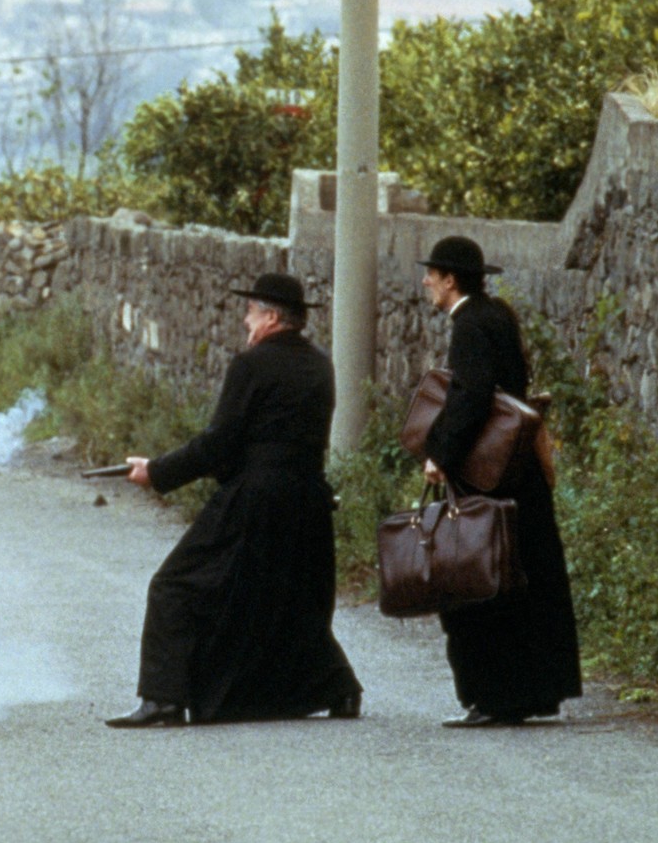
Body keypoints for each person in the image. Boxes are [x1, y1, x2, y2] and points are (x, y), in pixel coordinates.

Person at [107, 272, 364, 728]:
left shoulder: (252, 364)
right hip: (307, 495)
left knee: (176, 584)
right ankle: (339, 688)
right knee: (291, 595)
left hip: (258, 496)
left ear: (270, 316)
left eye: (250, 311)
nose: (245, 320)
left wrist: (157, 471)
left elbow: (218, 443)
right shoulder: (320, 364)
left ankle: (163, 698)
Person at [416, 235, 583, 727]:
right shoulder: (499, 315)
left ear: (450, 280)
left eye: (432, 274)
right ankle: (535, 690)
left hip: (489, 474)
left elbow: (470, 398)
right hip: (519, 467)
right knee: (525, 575)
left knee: (477, 575)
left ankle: (493, 694)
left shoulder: (468, 325)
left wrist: (440, 455)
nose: (425, 281)